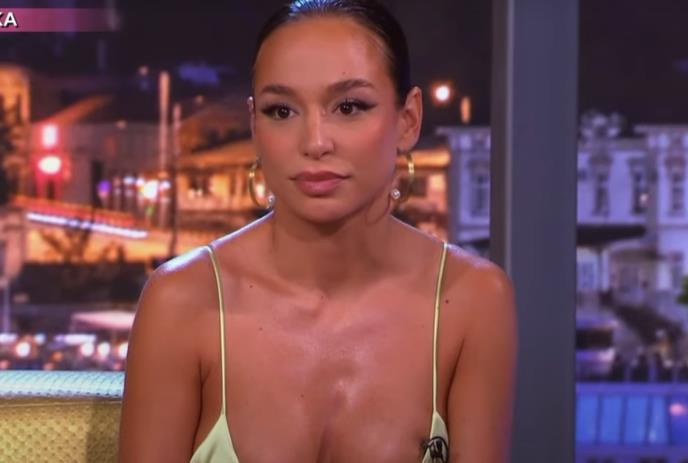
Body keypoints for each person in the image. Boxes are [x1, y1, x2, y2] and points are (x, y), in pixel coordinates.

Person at [118, 1, 517, 462]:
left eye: (349, 107)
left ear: (408, 119)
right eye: (281, 111)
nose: (314, 142)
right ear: (254, 124)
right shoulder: (181, 301)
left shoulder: (472, 300)